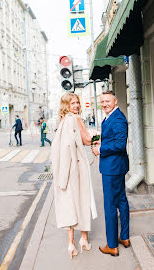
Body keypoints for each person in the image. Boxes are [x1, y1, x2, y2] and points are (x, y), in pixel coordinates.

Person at [51, 92, 97, 260]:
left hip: (66, 169)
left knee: (69, 203)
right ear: (66, 105)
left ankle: (70, 243)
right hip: (78, 168)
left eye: (77, 102)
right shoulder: (76, 119)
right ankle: (84, 239)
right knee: (83, 201)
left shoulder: (62, 122)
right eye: (73, 103)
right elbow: (86, 140)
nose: (76, 106)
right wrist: (95, 135)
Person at [92, 91, 129, 257]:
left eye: (107, 101)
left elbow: (120, 145)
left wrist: (100, 149)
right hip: (116, 167)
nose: (104, 104)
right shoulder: (111, 116)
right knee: (121, 201)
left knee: (110, 206)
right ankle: (125, 238)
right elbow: (113, 138)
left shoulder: (118, 118)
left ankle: (112, 245)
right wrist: (102, 141)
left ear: (115, 101)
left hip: (112, 168)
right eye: (102, 101)